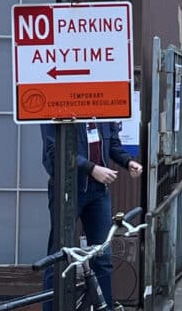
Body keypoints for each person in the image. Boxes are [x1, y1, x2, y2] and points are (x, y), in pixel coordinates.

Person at [40, 121, 143, 311]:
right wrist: (91, 168)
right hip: (67, 188)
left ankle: (104, 308)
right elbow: (54, 151)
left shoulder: (102, 106)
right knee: (59, 256)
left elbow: (113, 144)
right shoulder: (60, 101)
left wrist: (128, 162)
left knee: (102, 257)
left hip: (98, 192)